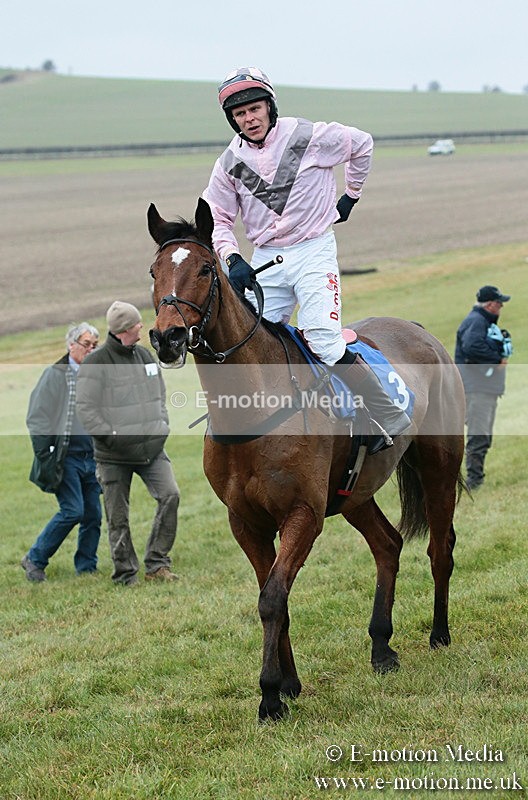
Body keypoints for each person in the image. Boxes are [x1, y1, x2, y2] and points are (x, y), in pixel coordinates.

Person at [203, 67, 410, 453]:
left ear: (269, 106)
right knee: (247, 339)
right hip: (266, 259)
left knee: (323, 338)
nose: (249, 119)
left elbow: (362, 144)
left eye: (254, 109)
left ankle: (384, 411)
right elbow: (217, 217)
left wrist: (351, 194)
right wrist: (232, 259)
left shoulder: (310, 135)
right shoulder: (228, 164)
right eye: (240, 114)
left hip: (314, 250)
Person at [76, 301, 179, 585]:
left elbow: (159, 395)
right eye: (136, 325)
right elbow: (86, 409)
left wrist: (161, 426)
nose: (141, 328)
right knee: (118, 517)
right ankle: (125, 573)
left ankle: (157, 563)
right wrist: (112, 437)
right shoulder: (96, 363)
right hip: (113, 457)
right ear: (123, 330)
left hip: (152, 449)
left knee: (170, 496)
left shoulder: (145, 356)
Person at [22, 322, 102, 582]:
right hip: (64, 459)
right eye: (86, 344)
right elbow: (37, 418)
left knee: (93, 515)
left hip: (91, 458)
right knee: (72, 511)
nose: (91, 350)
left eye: (94, 345)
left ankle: (86, 567)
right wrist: (47, 454)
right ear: (71, 345)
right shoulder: (54, 374)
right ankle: (35, 559)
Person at [455, 285, 513, 490]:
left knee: (482, 435)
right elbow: (472, 346)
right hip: (477, 389)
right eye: (499, 303)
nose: (501, 307)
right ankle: (473, 481)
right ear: (490, 305)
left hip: (482, 389)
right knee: (478, 435)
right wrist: (497, 359)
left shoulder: (481, 321)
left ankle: (475, 478)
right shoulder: (476, 321)